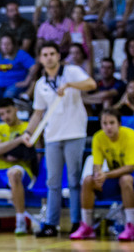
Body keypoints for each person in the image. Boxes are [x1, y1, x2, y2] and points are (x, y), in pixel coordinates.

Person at [23, 42, 97, 238]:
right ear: (40, 59)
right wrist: (28, 132)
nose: (49, 57)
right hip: (52, 136)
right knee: (52, 182)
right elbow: (38, 113)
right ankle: (51, 224)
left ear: (58, 56)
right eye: (45, 54)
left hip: (74, 133)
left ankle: (76, 223)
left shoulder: (71, 71)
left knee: (74, 180)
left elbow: (91, 84)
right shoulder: (40, 84)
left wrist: (70, 85)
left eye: (52, 54)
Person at [70, 109, 134, 241]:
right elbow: (97, 164)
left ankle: (132, 226)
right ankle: (87, 226)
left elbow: (129, 167)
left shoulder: (130, 135)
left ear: (119, 123)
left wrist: (106, 175)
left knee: (125, 179)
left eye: (111, 123)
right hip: (116, 176)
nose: (108, 127)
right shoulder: (98, 137)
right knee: (87, 181)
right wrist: (97, 175)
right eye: (104, 123)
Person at [0, 98, 37, 235]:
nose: (6, 117)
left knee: (13, 173)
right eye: (2, 114)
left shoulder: (28, 127)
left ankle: (21, 220)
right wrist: (19, 141)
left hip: (23, 171)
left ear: (16, 110)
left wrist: (7, 150)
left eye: (8, 112)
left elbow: (31, 153)